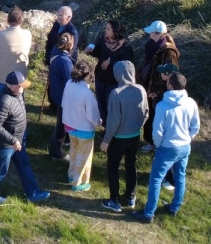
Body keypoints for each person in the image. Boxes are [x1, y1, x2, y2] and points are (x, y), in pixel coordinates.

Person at [134, 73, 200, 224]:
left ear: (170, 86)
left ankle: (148, 213)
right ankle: (174, 207)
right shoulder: (191, 103)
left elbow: (157, 131)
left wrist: (159, 145)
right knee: (180, 177)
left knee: (156, 179)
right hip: (184, 147)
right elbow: (195, 126)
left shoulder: (162, 106)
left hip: (167, 148)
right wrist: (188, 138)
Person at [0, 72, 51, 204]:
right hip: (6, 144)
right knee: (0, 169)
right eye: (21, 86)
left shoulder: (17, 93)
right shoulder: (4, 101)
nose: (23, 88)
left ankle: (32, 192)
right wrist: (13, 141)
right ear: (12, 86)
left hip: (17, 141)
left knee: (24, 165)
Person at [100, 60, 149, 212]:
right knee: (130, 166)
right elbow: (146, 112)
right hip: (135, 137)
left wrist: (106, 140)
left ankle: (114, 201)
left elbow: (114, 121)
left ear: (117, 74)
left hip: (118, 138)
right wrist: (138, 127)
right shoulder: (141, 89)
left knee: (113, 167)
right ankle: (130, 197)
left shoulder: (116, 93)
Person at [138, 21, 181, 153]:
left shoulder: (168, 52)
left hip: (160, 91)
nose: (149, 34)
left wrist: (158, 91)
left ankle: (159, 145)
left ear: (158, 34)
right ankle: (151, 142)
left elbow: (171, 74)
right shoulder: (151, 45)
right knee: (150, 115)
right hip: (150, 87)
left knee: (159, 119)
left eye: (151, 32)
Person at [61, 58, 101, 192]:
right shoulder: (87, 94)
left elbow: (63, 103)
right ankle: (79, 183)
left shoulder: (69, 84)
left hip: (70, 126)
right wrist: (99, 122)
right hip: (84, 130)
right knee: (84, 157)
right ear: (89, 75)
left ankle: (71, 175)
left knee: (73, 152)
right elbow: (93, 117)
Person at [88, 20, 134, 126]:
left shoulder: (125, 47)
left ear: (115, 31)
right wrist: (91, 50)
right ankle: (105, 126)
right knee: (101, 104)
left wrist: (111, 62)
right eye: (106, 28)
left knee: (111, 106)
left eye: (108, 29)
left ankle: (112, 128)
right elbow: (98, 52)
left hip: (114, 81)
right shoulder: (103, 41)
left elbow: (127, 65)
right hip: (100, 77)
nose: (106, 30)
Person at [0, 7, 32, 100]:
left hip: (1, 77)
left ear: (7, 20)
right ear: (21, 21)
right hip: (20, 77)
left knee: (0, 104)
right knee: (18, 105)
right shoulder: (27, 34)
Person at [45, 6, 79, 114]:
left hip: (64, 60)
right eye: (58, 14)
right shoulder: (56, 25)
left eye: (61, 15)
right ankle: (53, 104)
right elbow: (50, 39)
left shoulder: (72, 31)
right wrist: (48, 57)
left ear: (69, 17)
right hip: (54, 58)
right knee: (52, 81)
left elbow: (71, 49)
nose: (58, 17)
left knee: (62, 83)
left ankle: (61, 107)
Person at [48, 33, 76, 161]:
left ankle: (57, 149)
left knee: (61, 123)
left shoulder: (55, 53)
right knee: (61, 125)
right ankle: (56, 152)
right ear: (70, 44)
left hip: (57, 93)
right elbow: (69, 81)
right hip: (64, 96)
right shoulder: (65, 61)